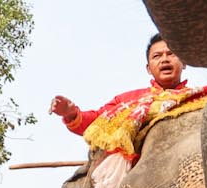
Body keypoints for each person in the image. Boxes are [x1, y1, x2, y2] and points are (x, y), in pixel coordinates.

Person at [49, 33, 191, 137]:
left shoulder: (200, 99)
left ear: (184, 63)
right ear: (148, 68)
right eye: (157, 56)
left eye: (171, 54)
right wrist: (71, 114)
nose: (164, 60)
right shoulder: (126, 101)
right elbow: (98, 121)